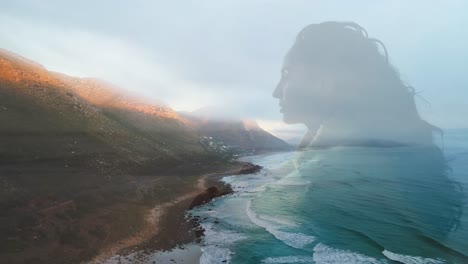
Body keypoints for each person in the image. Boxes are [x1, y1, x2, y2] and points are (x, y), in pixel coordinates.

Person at [272, 22, 466, 262]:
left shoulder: (338, 168)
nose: (276, 91)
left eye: (286, 74)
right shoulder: (334, 152)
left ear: (325, 78)